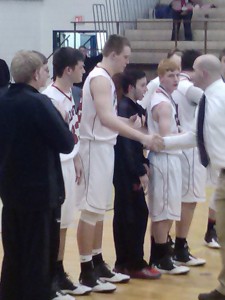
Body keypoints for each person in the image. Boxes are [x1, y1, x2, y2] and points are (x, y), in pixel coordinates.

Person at [74, 34, 164, 292]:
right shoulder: (100, 79)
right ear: (113, 54)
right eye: (125, 57)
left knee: (100, 209)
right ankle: (85, 270)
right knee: (91, 211)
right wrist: (142, 135)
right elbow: (105, 118)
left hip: (104, 145)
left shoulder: (105, 79)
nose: (127, 62)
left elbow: (109, 118)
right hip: (93, 147)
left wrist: (129, 123)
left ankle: (98, 260)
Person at [0, 50, 75, 300]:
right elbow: (66, 143)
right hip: (40, 194)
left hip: (10, 192)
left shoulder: (3, 99)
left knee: (13, 256)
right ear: (35, 74)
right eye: (45, 70)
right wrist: (62, 119)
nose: (47, 74)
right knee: (38, 259)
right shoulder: (39, 103)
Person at [42, 47, 92, 298]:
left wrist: (78, 158)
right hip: (57, 167)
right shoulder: (50, 98)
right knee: (56, 224)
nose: (84, 69)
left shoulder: (69, 93)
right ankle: (50, 276)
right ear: (68, 69)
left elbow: (72, 132)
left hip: (69, 162)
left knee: (65, 224)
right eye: (81, 66)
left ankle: (59, 272)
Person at [113, 69, 161, 279]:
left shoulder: (134, 107)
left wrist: (143, 161)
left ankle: (125, 262)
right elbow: (126, 144)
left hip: (131, 167)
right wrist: (139, 170)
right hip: (126, 172)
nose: (146, 88)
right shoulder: (124, 109)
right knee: (133, 216)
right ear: (131, 87)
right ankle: (132, 263)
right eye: (142, 85)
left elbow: (138, 141)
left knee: (132, 215)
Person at [147, 59, 190, 275]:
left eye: (178, 74)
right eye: (170, 75)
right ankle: (161, 257)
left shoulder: (168, 98)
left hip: (170, 159)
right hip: (163, 159)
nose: (175, 79)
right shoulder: (162, 102)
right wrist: (187, 136)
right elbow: (164, 136)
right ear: (161, 77)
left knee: (169, 209)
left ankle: (159, 254)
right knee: (162, 211)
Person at [190, 54, 225, 300]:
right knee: (223, 233)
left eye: (193, 70)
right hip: (221, 176)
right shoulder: (207, 98)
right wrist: (158, 142)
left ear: (203, 73)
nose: (189, 75)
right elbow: (196, 136)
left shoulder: (221, 97)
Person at [172, 49, 206, 266]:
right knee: (189, 200)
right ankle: (180, 247)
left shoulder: (161, 83)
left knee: (174, 199)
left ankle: (169, 247)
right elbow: (212, 102)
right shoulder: (189, 88)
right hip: (189, 148)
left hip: (173, 146)